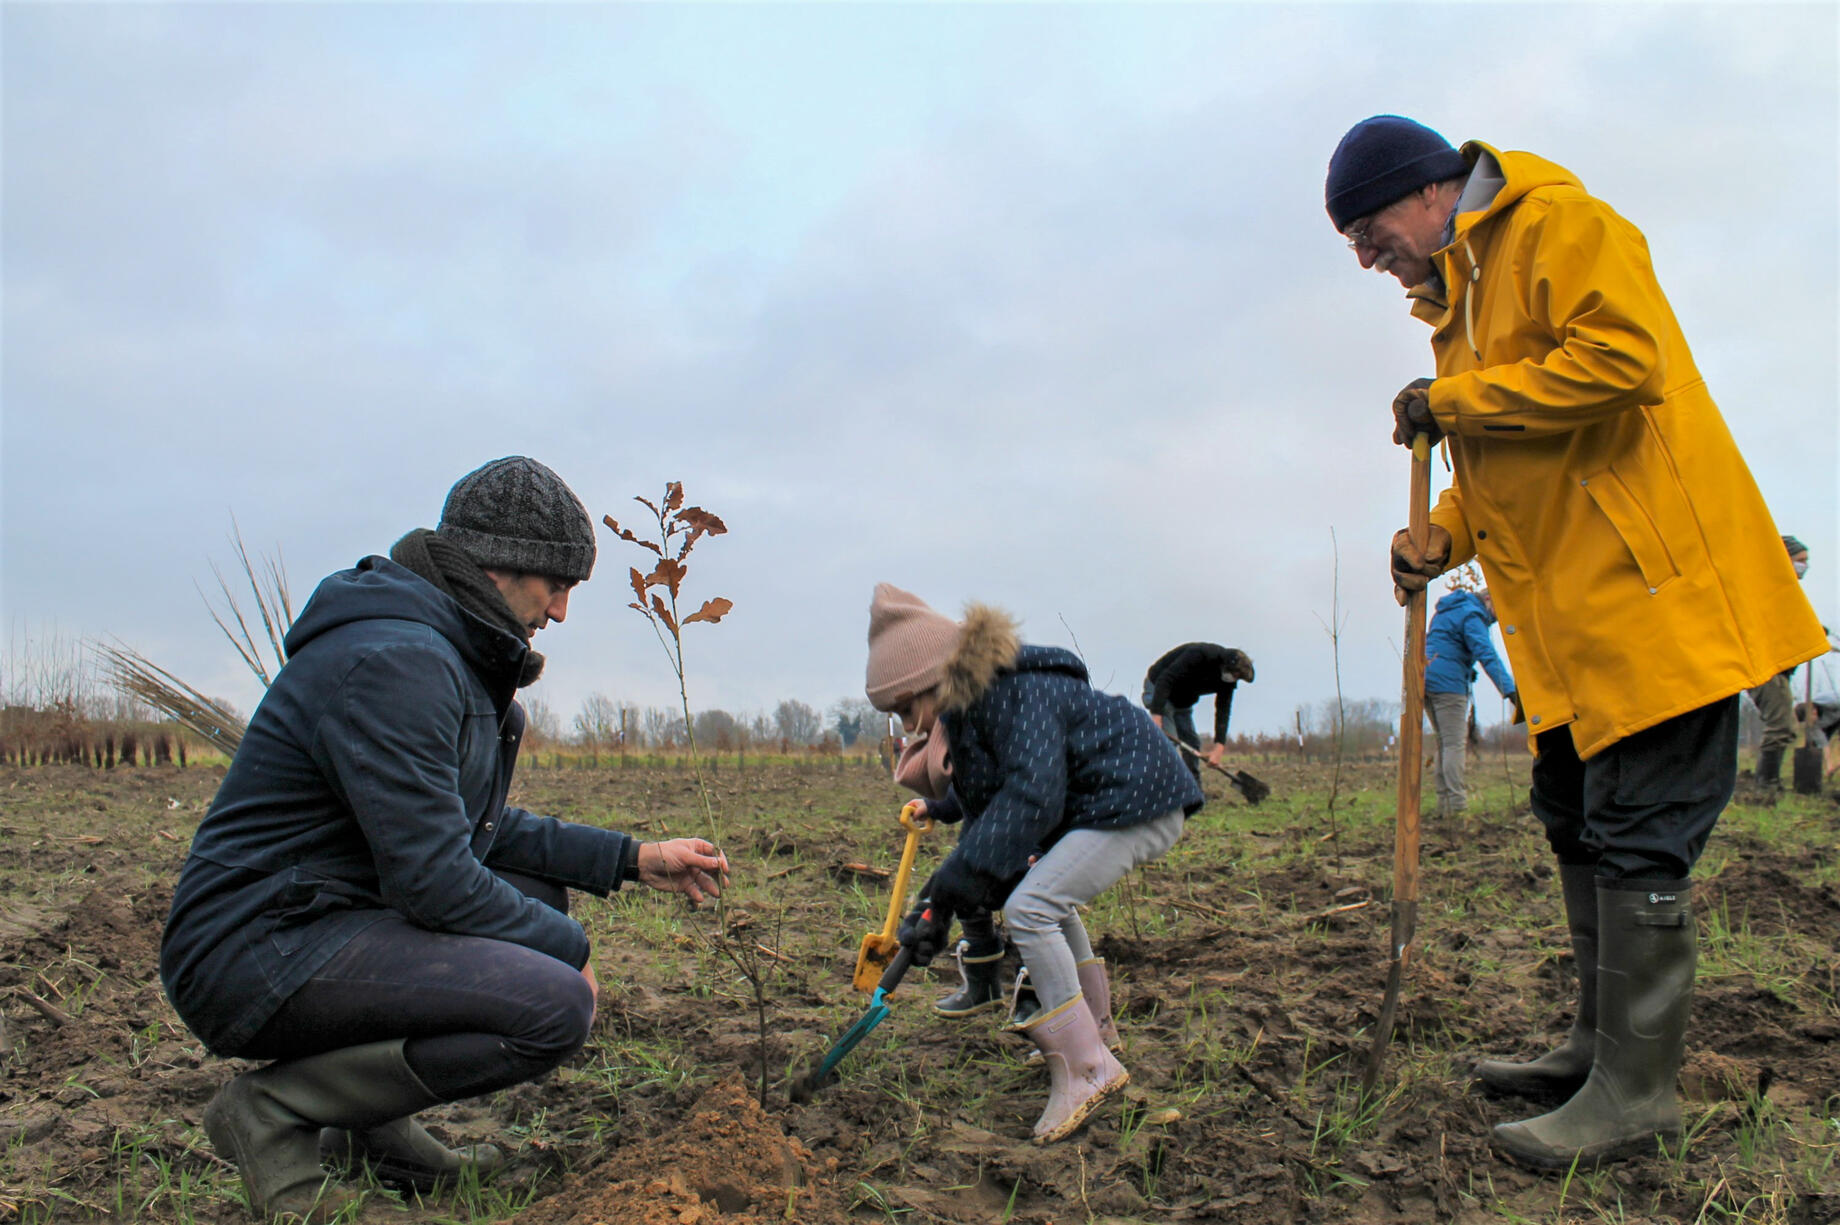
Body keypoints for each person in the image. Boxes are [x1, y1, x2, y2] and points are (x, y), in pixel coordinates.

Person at [1326, 116, 1828, 1171]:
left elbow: (1620, 361)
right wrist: (1440, 533)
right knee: (1578, 820)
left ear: (1427, 191)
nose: (1369, 259)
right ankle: (1601, 1050)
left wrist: (1452, 397)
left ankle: (1639, 1092)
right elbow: (1513, 466)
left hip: (1655, 605)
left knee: (1640, 833)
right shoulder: (1458, 305)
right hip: (1570, 630)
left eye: (1370, 232)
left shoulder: (1553, 223)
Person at [160, 457, 730, 1221]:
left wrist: (633, 857)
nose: (560, 611)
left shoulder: (447, 662)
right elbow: (435, 879)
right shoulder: (398, 663)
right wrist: (571, 948)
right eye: (554, 584)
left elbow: (478, 829)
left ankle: (372, 1128)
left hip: (318, 919)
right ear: (498, 565)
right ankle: (271, 1117)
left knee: (532, 896)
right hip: (253, 947)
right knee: (552, 1002)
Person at [863, 584, 1201, 1143]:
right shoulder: (975, 714)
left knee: (1032, 908)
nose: (907, 727)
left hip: (1137, 799)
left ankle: (1088, 1070)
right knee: (1041, 895)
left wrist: (954, 886)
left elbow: (1032, 797)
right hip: (1112, 804)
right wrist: (938, 905)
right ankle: (1095, 1031)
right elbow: (987, 817)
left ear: (933, 679)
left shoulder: (1015, 694)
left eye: (905, 708)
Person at [1423, 582, 1516, 817]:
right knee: (1454, 744)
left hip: (1426, 678)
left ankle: (1444, 806)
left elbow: (1445, 645)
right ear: (1488, 600)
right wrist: (1512, 692)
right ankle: (1457, 807)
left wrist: (1466, 668)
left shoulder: (1449, 609)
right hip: (1448, 686)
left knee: (1444, 744)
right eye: (1498, 610)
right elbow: (1486, 653)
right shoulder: (1472, 614)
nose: (1497, 619)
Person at [1743, 535, 1811, 793]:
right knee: (1781, 726)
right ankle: (1766, 783)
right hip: (1765, 667)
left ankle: (1768, 781)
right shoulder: (1767, 590)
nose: (1805, 566)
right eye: (1800, 561)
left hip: (1777, 668)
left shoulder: (1786, 593)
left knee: (1785, 727)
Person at [1140, 642, 1256, 780]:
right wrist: (1157, 714)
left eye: (1238, 677)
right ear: (1227, 665)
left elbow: (1223, 710)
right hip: (1158, 689)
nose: (1235, 679)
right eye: (1235, 674)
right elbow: (1166, 679)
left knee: (1192, 744)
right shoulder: (1200, 654)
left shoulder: (1228, 682)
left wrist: (1219, 747)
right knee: (1169, 745)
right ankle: (1167, 793)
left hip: (1182, 700)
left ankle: (1194, 792)